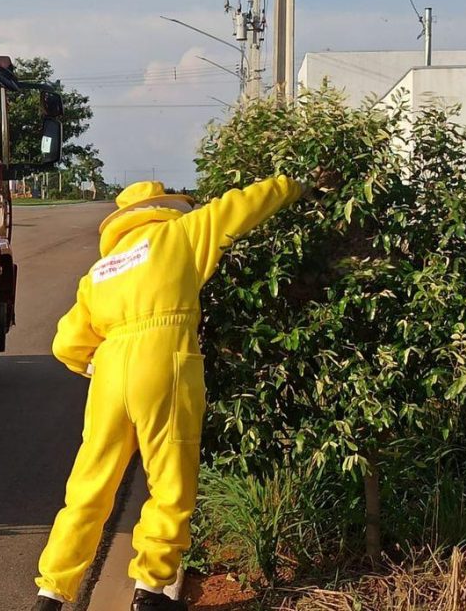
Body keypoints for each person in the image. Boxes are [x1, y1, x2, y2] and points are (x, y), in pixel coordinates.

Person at [32, 171, 338, 611]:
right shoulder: (180, 234)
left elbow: (65, 342)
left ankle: (51, 593)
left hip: (110, 371)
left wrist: (94, 364)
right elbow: (243, 205)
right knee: (170, 484)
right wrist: (298, 184)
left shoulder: (99, 272)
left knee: (89, 486)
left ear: (121, 223)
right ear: (164, 210)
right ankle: (152, 593)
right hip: (164, 357)